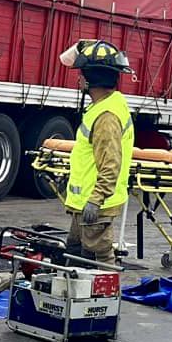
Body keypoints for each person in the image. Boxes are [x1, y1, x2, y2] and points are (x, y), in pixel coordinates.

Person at [60, 40, 135, 265]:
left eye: (82, 73)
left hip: (95, 205)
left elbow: (111, 164)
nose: (79, 79)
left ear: (91, 78)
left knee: (98, 260)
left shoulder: (106, 117)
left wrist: (95, 200)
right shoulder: (102, 108)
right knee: (74, 253)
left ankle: (107, 288)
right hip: (86, 203)